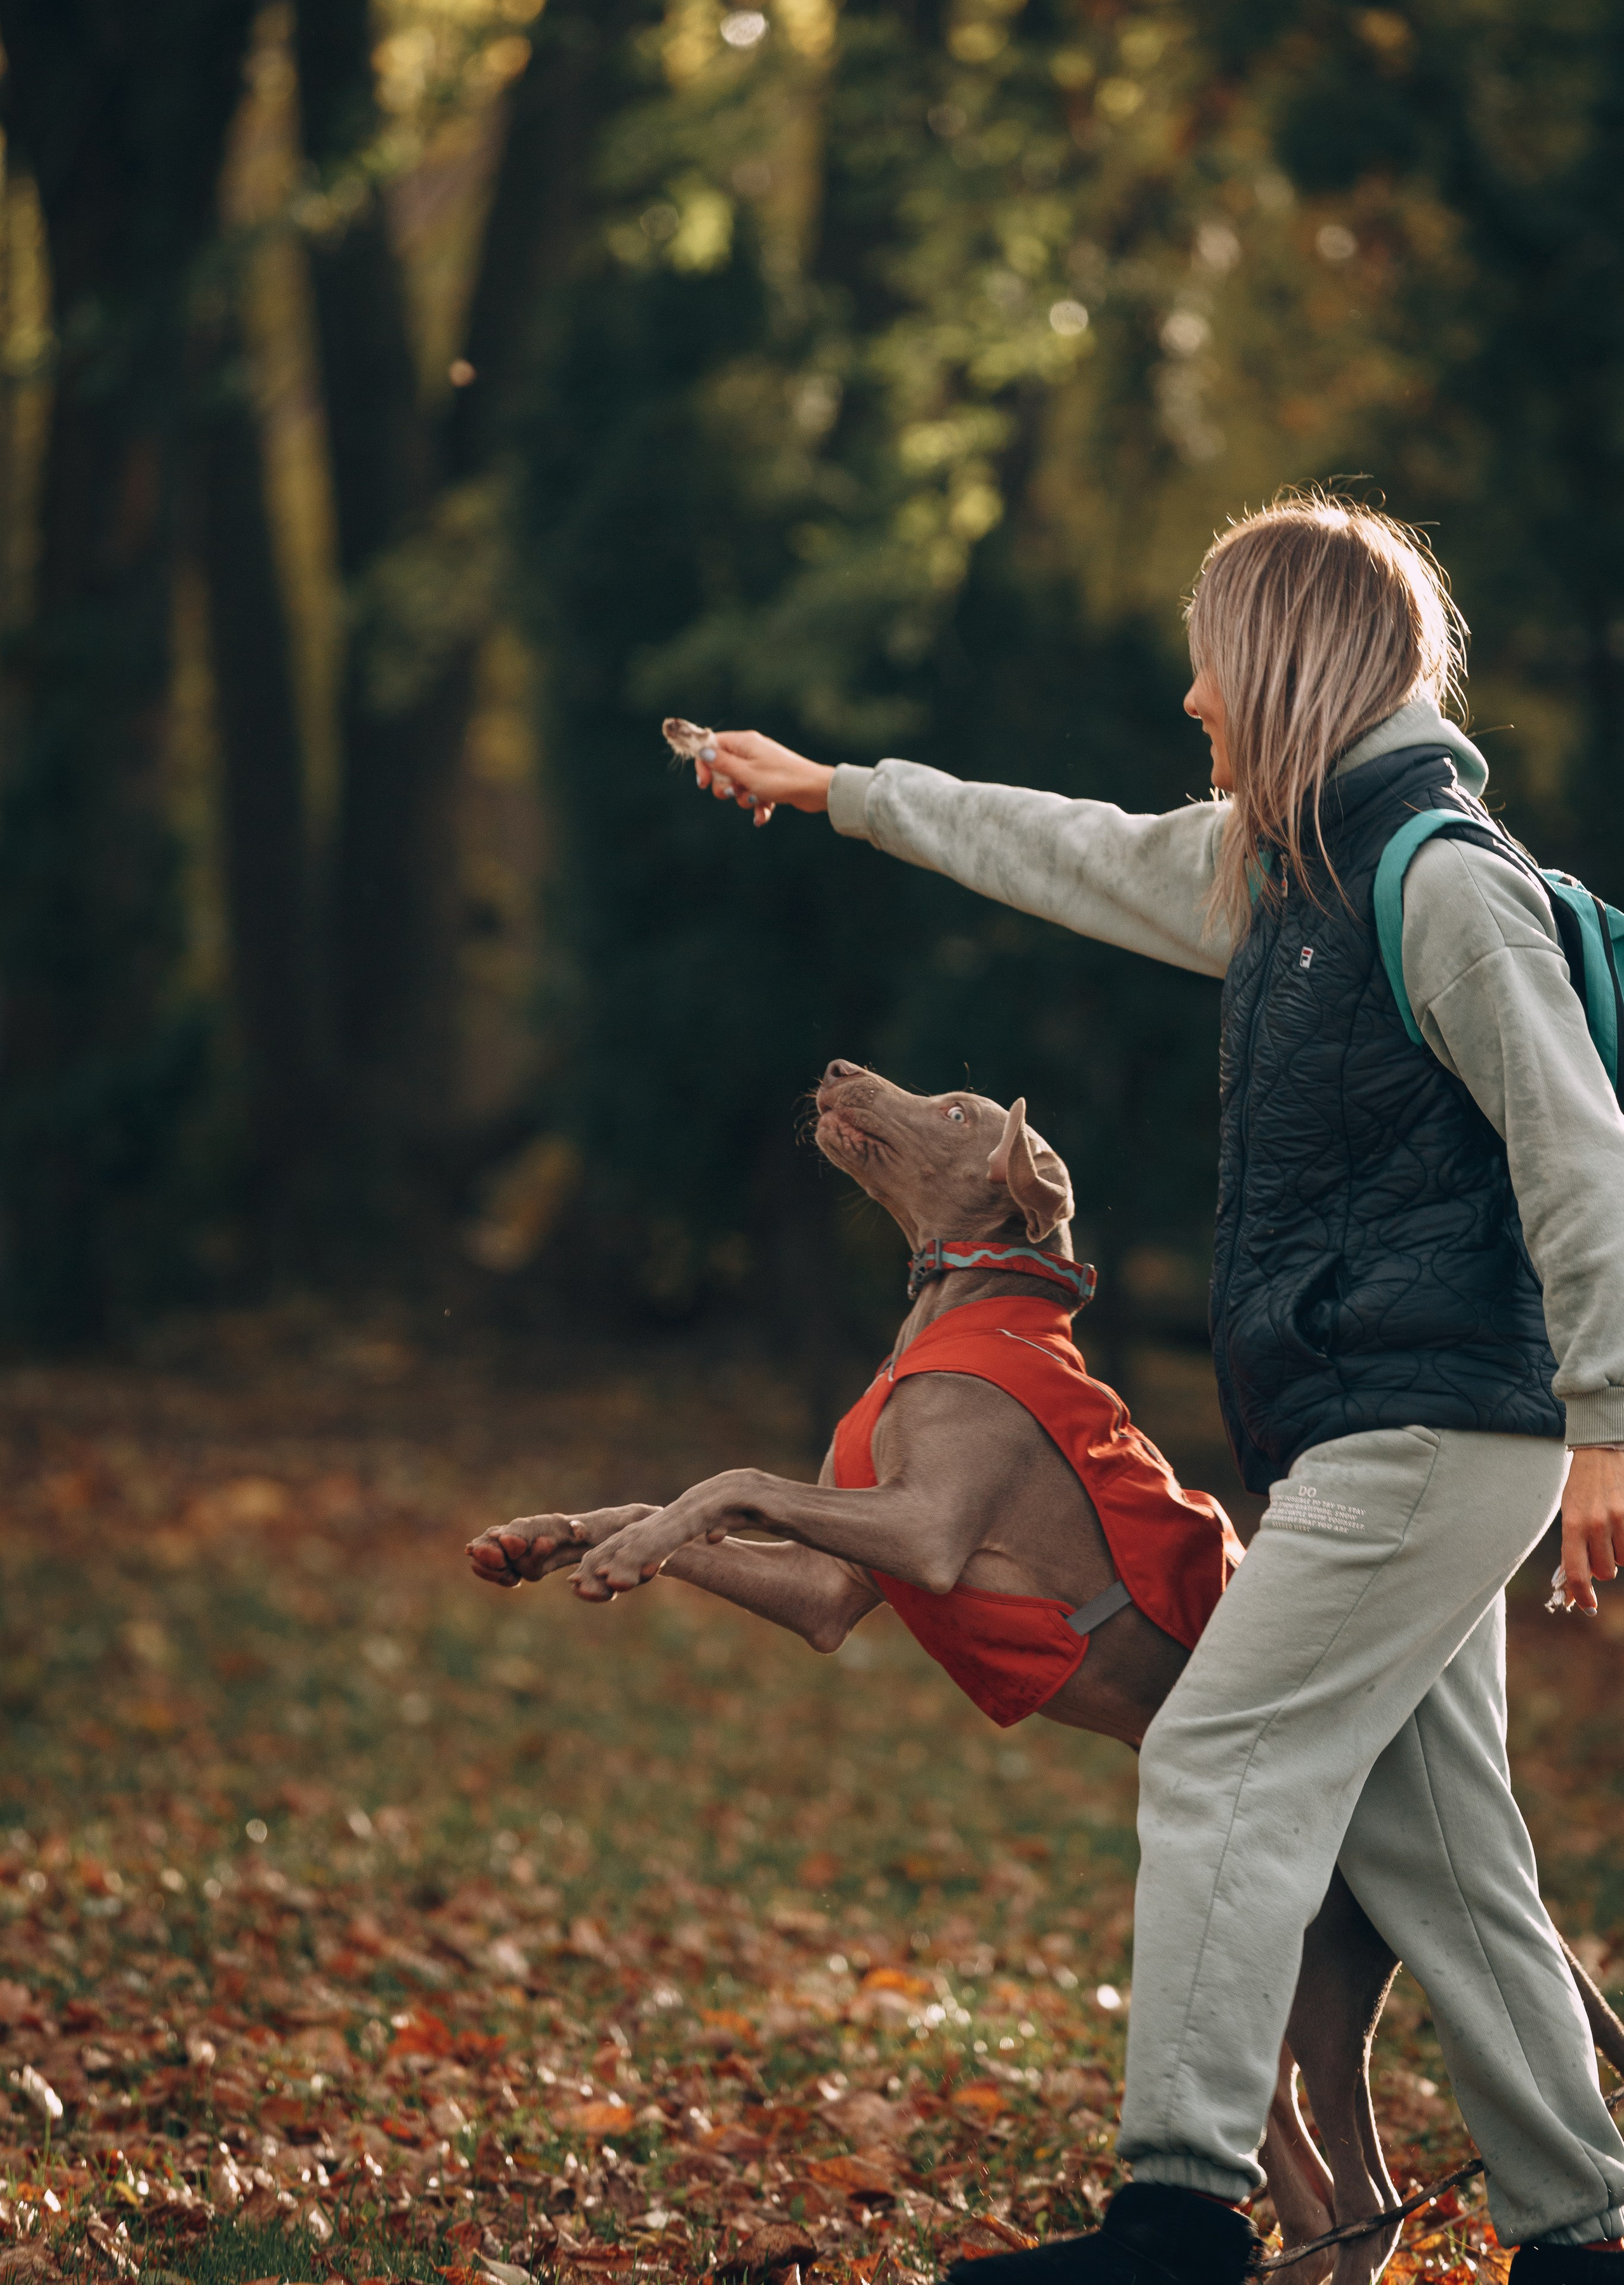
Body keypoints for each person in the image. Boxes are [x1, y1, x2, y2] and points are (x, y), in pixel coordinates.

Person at [683, 495, 1624, 2285]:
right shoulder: (1291, 877)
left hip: (1443, 1429)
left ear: (1278, 661)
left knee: (1223, 1755)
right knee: (1443, 1853)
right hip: (1390, 1426)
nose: (1192, 698)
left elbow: (1584, 1151)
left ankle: (1178, 2218)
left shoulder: (1439, 881)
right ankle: (1580, 2232)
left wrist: (1608, 1423)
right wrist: (834, 789)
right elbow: (1070, 847)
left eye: (1210, 657)